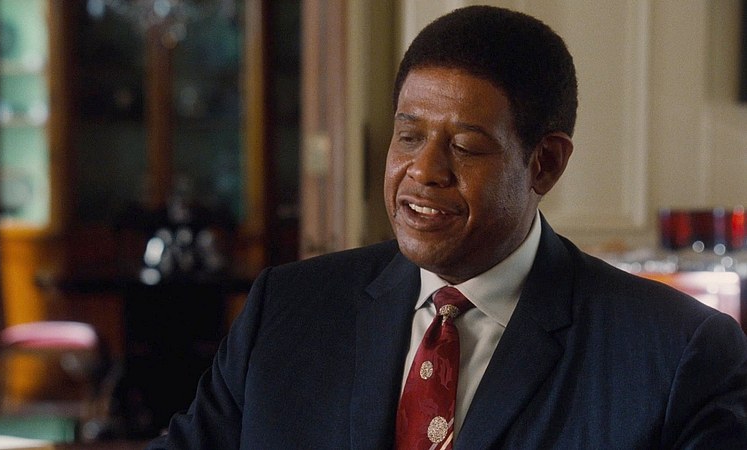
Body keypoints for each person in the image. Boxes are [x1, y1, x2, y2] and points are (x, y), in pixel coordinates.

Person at [147, 5, 747, 449]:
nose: (423, 171)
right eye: (408, 136)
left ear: (545, 163)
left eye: (464, 146)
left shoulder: (675, 354)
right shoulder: (288, 310)